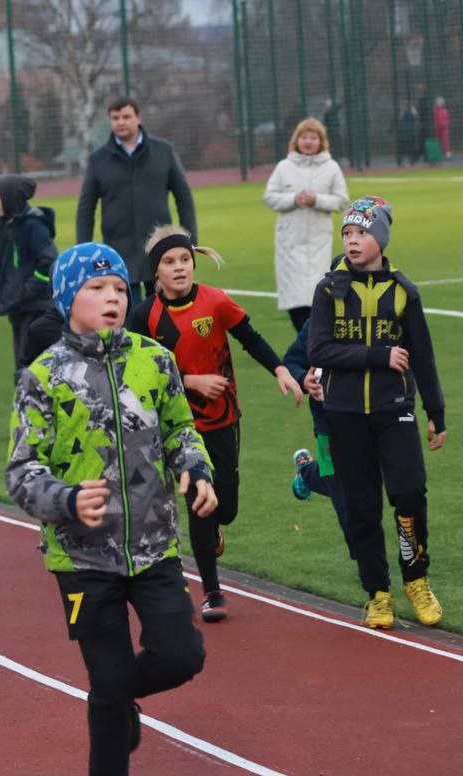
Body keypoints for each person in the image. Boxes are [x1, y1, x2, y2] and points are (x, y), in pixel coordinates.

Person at [7, 242, 212, 775]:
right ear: (66, 298)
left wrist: (196, 468)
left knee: (181, 656)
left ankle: (121, 697)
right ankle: (115, 713)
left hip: (154, 547)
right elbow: (22, 471)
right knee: (109, 682)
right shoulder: (42, 377)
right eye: (96, 288)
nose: (112, 298)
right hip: (81, 561)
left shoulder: (155, 360)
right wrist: (69, 500)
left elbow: (180, 430)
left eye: (119, 288)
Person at [128, 225, 302, 622]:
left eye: (185, 260)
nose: (179, 268)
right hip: (177, 427)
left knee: (226, 505)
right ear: (156, 272)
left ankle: (216, 532)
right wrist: (189, 381)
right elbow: (134, 372)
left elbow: (250, 337)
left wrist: (279, 369)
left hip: (223, 419)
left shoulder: (216, 302)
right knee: (200, 504)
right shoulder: (144, 316)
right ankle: (212, 591)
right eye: (169, 262)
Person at [307, 196, 447, 629]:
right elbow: (319, 349)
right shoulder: (329, 289)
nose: (352, 241)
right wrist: (376, 355)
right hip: (345, 413)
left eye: (362, 233)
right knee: (362, 506)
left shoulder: (404, 291)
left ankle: (416, 579)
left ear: (380, 238)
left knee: (408, 493)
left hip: (394, 410)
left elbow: (422, 355)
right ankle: (378, 593)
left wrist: (435, 411)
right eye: (347, 233)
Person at [75, 97, 197, 302]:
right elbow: (86, 209)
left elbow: (183, 197)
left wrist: (190, 242)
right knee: (129, 321)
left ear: (138, 118)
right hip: (119, 252)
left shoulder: (163, 151)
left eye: (126, 116)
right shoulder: (98, 160)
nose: (120, 122)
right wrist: (83, 251)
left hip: (159, 249)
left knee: (163, 319)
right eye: (115, 118)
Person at [263, 118, 349, 331]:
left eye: (313, 137)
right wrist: (293, 199)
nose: (308, 142)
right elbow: (270, 196)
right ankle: (306, 342)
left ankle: (314, 346)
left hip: (318, 242)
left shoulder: (331, 167)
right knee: (295, 298)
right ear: (296, 140)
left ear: (321, 141)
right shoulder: (284, 167)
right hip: (290, 242)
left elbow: (342, 200)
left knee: (316, 295)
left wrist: (317, 200)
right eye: (304, 137)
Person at [282, 319, 354, 563]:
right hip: (328, 420)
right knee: (344, 495)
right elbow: (291, 361)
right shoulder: (320, 319)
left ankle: (307, 472)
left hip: (372, 419)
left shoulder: (376, 314)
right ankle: (367, 562)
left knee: (364, 484)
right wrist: (304, 380)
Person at [0, 174, 57, 373]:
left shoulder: (33, 226)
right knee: (21, 366)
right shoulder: (7, 224)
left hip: (35, 308)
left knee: (31, 368)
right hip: (19, 308)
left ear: (10, 198)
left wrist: (25, 291)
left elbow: (49, 262)